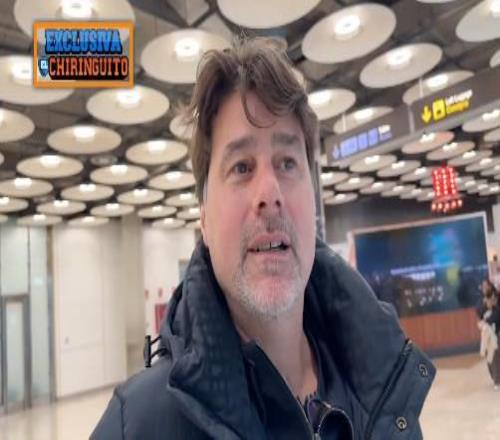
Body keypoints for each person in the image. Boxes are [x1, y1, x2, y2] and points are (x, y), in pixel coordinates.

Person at [92, 38, 435, 440]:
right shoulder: (136, 425)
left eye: (287, 163)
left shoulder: (382, 390)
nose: (270, 194)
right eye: (241, 167)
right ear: (204, 218)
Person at [477, 279, 500, 390]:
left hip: (497, 331)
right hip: (486, 333)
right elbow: (479, 313)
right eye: (483, 286)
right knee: (489, 358)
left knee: (495, 357)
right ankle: (494, 377)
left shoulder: (497, 298)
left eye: (487, 286)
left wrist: (493, 307)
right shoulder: (481, 301)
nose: (485, 288)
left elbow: (497, 315)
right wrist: (487, 306)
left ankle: (497, 380)